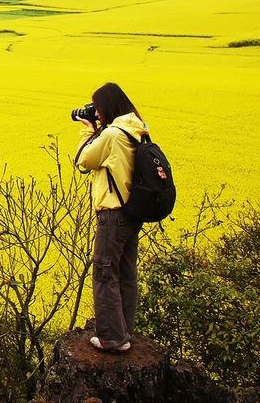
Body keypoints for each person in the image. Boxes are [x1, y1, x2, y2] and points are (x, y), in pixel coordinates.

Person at [74, 82, 147, 352]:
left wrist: (88, 130)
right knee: (126, 273)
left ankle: (113, 339)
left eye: (98, 108)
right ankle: (125, 331)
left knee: (105, 273)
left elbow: (83, 160)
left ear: (106, 107)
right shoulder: (137, 128)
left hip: (112, 214)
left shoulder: (112, 135)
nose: (97, 114)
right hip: (131, 212)